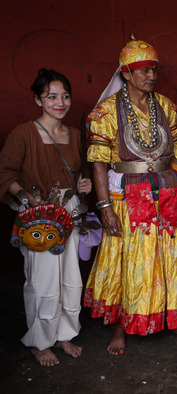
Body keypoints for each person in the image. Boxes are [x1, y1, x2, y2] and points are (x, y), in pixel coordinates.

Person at [84, 36, 177, 355]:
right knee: (129, 258)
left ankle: (171, 314)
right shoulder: (106, 111)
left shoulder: (165, 106)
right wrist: (104, 205)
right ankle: (122, 327)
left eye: (153, 70)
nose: (151, 76)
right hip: (127, 194)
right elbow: (98, 161)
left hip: (166, 189)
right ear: (126, 74)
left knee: (169, 253)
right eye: (143, 70)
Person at [0, 68, 92, 366]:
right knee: (42, 282)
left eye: (65, 96)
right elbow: (5, 174)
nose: (60, 102)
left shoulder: (75, 135)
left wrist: (83, 185)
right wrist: (26, 197)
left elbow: (77, 174)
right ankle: (40, 341)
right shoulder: (24, 133)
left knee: (71, 280)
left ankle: (64, 333)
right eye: (51, 96)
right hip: (38, 222)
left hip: (69, 218)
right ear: (38, 100)